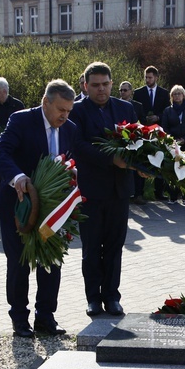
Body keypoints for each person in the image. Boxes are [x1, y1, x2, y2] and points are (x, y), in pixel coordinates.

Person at [0, 79, 78, 338]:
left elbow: (73, 161)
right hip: (18, 208)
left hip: (53, 211)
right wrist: (18, 178)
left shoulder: (70, 128)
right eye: (61, 109)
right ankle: (19, 319)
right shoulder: (21, 120)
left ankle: (46, 317)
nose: (65, 115)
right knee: (19, 263)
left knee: (51, 262)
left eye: (69, 110)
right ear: (45, 102)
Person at [69, 61, 138, 318]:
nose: (101, 89)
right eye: (95, 85)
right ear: (86, 86)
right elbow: (78, 146)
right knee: (91, 247)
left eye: (105, 84)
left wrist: (144, 164)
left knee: (114, 246)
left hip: (119, 191)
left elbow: (137, 142)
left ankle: (112, 297)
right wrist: (111, 159)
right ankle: (93, 299)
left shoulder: (126, 108)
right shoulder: (76, 111)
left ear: (111, 83)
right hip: (90, 191)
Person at [133, 66, 171, 200]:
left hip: (158, 130)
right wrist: (144, 119)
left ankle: (158, 192)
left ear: (156, 77)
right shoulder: (138, 92)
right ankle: (139, 193)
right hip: (143, 130)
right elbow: (136, 109)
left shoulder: (163, 93)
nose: (147, 80)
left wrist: (158, 117)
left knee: (159, 159)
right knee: (142, 160)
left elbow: (167, 110)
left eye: (150, 77)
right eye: (146, 77)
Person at [161, 85, 185, 203]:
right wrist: (173, 140)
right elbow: (165, 127)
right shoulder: (167, 110)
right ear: (171, 97)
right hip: (173, 144)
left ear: (184, 95)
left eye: (179, 93)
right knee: (173, 169)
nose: (177, 96)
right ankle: (173, 195)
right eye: (174, 94)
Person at [119, 80, 147, 206]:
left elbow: (141, 123)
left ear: (131, 91)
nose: (122, 92)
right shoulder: (115, 104)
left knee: (137, 168)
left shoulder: (138, 105)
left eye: (125, 90)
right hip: (121, 140)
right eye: (121, 90)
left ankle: (138, 194)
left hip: (135, 140)